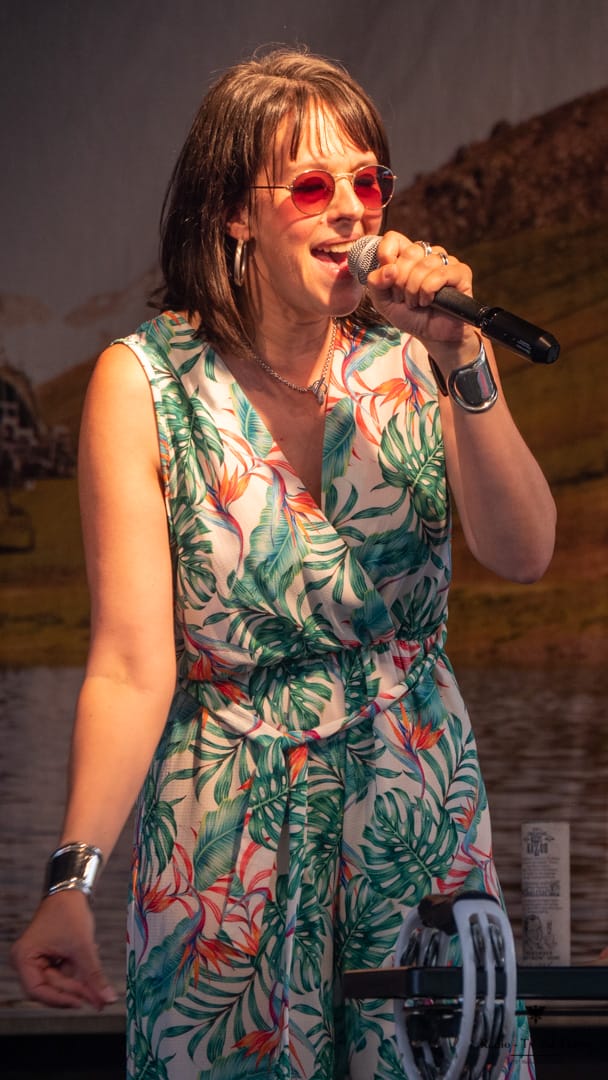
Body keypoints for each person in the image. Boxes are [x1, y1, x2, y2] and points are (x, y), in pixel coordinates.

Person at [11, 46, 556, 1079]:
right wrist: (71, 882)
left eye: (368, 183)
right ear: (233, 213)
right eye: (311, 186)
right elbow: (130, 666)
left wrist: (464, 359)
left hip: (415, 817)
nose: (351, 209)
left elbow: (523, 552)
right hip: (226, 843)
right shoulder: (146, 385)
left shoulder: (417, 357)